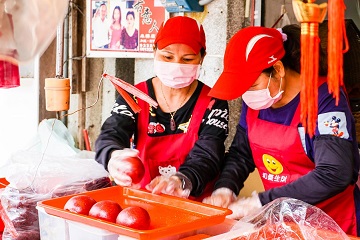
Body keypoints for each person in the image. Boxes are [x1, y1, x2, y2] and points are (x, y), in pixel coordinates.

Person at [204, 25, 360, 236]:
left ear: (277, 69)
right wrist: (225, 187)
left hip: (332, 224)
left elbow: (333, 172)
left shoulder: (327, 99)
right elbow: (241, 153)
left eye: (251, 85)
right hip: (283, 223)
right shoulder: (257, 100)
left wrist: (260, 202)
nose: (246, 94)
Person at [95, 16, 229, 201]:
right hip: (145, 202)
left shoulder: (213, 103)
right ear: (154, 51)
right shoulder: (134, 96)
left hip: (196, 204)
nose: (176, 65)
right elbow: (112, 131)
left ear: (202, 58)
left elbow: (209, 153)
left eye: (187, 59)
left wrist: (181, 180)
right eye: (167, 56)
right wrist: (113, 155)